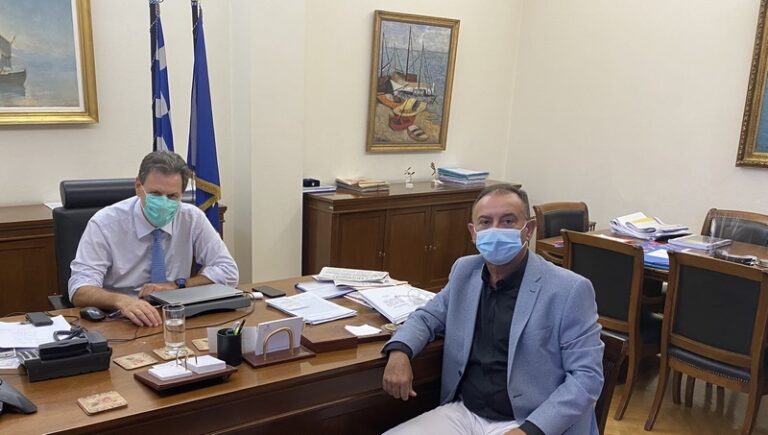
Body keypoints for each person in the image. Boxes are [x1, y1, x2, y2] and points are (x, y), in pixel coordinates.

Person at [381, 184, 604, 435]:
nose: (496, 230)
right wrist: (400, 350)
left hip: (530, 421)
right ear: (473, 232)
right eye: (485, 222)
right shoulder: (465, 271)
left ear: (528, 229)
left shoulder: (569, 289)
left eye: (508, 221)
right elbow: (427, 317)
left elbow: (587, 377)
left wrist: (530, 430)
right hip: (465, 412)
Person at [69, 151, 239, 327]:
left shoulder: (191, 218)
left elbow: (228, 271)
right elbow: (79, 289)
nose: (164, 203)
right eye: (156, 194)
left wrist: (177, 285)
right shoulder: (105, 223)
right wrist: (123, 301)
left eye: (172, 196)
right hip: (120, 319)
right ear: (138, 186)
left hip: (175, 316)